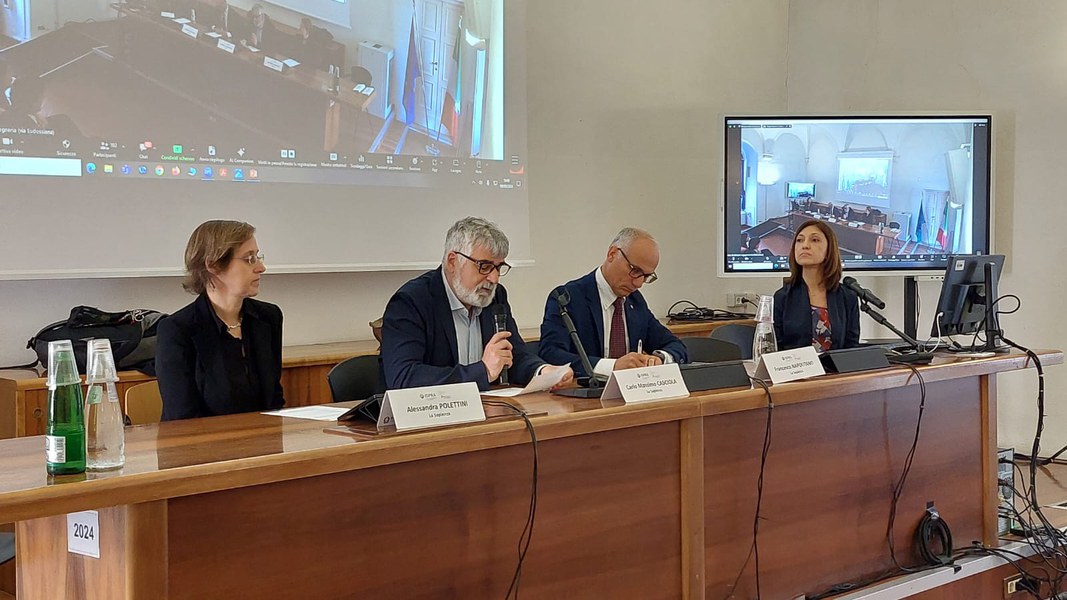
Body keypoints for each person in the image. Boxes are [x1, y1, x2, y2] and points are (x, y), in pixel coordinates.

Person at [382, 216, 573, 391]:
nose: (494, 278)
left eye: (499, 267)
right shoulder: (411, 302)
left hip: (484, 414)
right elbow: (404, 378)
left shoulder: (495, 297)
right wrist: (482, 371)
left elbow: (513, 355)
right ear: (452, 261)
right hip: (426, 421)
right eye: (485, 266)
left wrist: (542, 371)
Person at [157, 220, 285, 420]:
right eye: (249, 259)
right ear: (214, 265)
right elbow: (181, 417)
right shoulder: (177, 330)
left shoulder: (269, 318)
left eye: (258, 257)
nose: (261, 267)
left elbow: (274, 401)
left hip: (263, 443)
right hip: (199, 446)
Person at [538, 228, 688, 380]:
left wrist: (659, 359)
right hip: (582, 396)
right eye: (635, 270)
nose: (638, 283)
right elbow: (551, 354)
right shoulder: (568, 298)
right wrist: (612, 367)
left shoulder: (635, 302)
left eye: (646, 276)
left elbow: (676, 346)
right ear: (612, 254)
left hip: (632, 394)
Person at [773, 219, 860, 352]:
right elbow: (776, 347)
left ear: (829, 249)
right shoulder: (782, 297)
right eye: (799, 240)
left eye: (814, 240)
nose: (805, 245)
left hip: (837, 371)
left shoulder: (848, 297)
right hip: (797, 371)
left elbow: (851, 348)